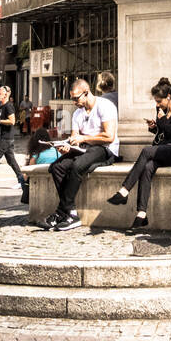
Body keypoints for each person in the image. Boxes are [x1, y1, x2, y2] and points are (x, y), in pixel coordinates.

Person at [107, 77, 171, 230]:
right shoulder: (161, 111)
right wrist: (154, 127)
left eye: (159, 101)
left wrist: (163, 121)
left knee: (146, 150)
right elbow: (163, 133)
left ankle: (124, 191)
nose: (157, 104)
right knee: (147, 168)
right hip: (164, 150)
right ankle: (141, 214)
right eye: (156, 102)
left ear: (169, 97)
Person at [41, 77, 119, 231]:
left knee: (77, 166)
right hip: (84, 148)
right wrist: (65, 147)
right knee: (57, 167)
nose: (74, 102)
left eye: (76, 98)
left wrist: (84, 138)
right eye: (72, 99)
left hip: (104, 148)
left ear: (86, 92)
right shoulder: (77, 113)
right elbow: (74, 138)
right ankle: (71, 212)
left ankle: (62, 212)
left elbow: (109, 136)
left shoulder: (104, 106)